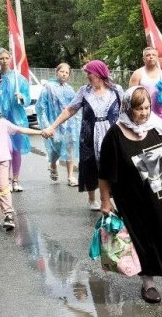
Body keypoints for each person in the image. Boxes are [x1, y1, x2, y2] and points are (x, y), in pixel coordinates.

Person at [99, 86, 162, 304]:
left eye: (147, 108)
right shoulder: (115, 135)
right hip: (132, 200)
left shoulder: (158, 127)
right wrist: (105, 201)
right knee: (141, 237)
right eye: (139, 109)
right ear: (128, 108)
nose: (144, 113)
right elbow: (104, 173)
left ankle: (154, 269)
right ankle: (148, 281)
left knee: (161, 232)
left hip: (160, 196)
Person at [42, 60, 123, 211]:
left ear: (98, 73)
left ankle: (111, 200)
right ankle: (92, 199)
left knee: (112, 167)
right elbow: (70, 109)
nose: (87, 76)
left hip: (111, 136)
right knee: (90, 166)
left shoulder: (116, 90)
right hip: (89, 136)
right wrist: (52, 126)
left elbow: (126, 110)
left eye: (89, 73)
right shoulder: (85, 91)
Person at [0, 98, 43, 231]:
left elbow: (20, 129)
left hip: (2, 161)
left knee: (3, 186)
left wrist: (40, 132)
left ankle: (8, 214)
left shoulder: (3, 123)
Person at [0, 49, 30, 192]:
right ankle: (5, 180)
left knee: (16, 150)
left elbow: (27, 98)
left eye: (6, 58)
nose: (4, 61)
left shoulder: (19, 78)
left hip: (16, 118)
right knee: (4, 150)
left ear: (10, 59)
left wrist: (21, 97)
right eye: (1, 58)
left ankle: (15, 179)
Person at [37, 63, 81, 186]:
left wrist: (78, 121)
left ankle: (70, 176)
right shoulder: (48, 87)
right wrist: (47, 124)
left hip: (69, 124)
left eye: (67, 73)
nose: (64, 74)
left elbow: (75, 106)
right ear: (56, 72)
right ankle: (52, 165)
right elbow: (41, 106)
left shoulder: (69, 89)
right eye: (62, 71)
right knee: (56, 148)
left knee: (70, 147)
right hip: (54, 123)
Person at [128, 47, 162, 122]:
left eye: (154, 55)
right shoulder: (138, 74)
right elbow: (130, 95)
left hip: (160, 115)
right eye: (148, 55)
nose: (151, 57)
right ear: (143, 59)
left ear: (157, 58)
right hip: (143, 115)